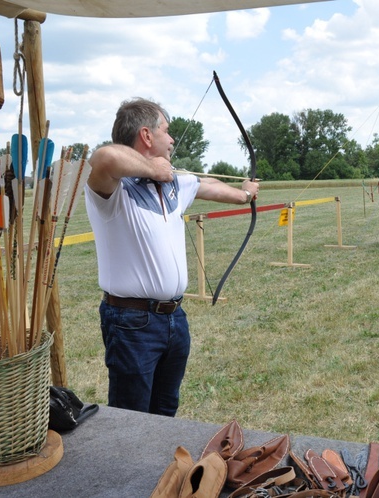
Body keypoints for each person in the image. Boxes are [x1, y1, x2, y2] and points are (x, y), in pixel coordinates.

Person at [85, 97, 260, 416]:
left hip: (174, 319)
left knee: (166, 411)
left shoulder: (172, 185)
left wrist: (245, 193)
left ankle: (162, 467)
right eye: (166, 130)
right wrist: (152, 167)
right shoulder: (115, 191)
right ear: (147, 136)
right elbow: (104, 157)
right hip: (131, 322)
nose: (172, 139)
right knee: (131, 417)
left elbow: (209, 186)